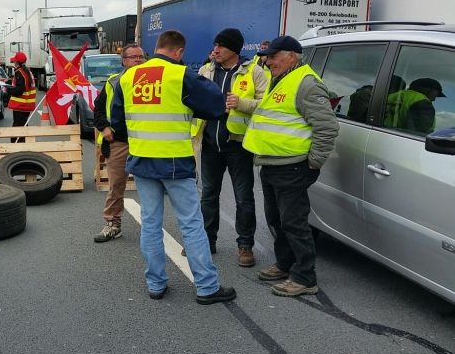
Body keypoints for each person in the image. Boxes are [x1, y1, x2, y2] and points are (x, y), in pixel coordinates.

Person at [110, 30, 237, 305]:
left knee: (151, 224)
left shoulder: (128, 78)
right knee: (191, 224)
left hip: (142, 161)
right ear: (179, 52)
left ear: (156, 48)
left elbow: (117, 122)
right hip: (175, 162)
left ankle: (155, 283)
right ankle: (206, 286)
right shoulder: (181, 76)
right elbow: (216, 105)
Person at [242, 35, 339, 297]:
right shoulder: (282, 78)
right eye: (267, 56)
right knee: (277, 220)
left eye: (274, 56)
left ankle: (305, 277)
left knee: (294, 223)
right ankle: (285, 264)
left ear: (292, 56)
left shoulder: (306, 83)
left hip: (293, 166)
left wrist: (314, 162)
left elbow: (327, 127)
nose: (268, 60)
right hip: (273, 163)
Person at [189, 28, 268, 267]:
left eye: (221, 46)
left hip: (239, 146)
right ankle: (207, 241)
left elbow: (268, 105)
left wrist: (241, 103)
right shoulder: (206, 70)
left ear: (234, 49)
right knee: (208, 195)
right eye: (215, 45)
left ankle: (245, 246)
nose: (215, 49)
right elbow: (193, 100)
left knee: (243, 198)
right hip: (211, 145)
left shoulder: (253, 71)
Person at [92, 44, 145, 243]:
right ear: (124, 61)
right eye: (134, 57)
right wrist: (105, 128)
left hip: (147, 142)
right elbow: (97, 109)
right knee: (116, 185)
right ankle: (113, 224)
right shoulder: (113, 82)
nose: (138, 60)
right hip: (119, 143)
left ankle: (151, 226)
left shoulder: (153, 82)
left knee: (152, 185)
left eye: (141, 57)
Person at [4, 52, 36, 142]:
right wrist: (9, 82)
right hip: (26, 105)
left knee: (17, 128)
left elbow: (19, 90)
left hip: (20, 105)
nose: (14, 63)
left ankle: (17, 147)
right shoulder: (26, 72)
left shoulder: (20, 72)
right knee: (23, 126)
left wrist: (7, 89)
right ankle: (23, 146)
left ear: (17, 62)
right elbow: (22, 84)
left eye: (14, 61)